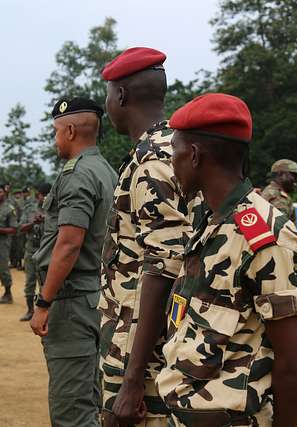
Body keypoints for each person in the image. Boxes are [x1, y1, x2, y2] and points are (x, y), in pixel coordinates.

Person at [158, 93, 297, 426]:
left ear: (195, 155)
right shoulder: (212, 221)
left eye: (176, 151)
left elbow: (296, 367)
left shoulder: (265, 238)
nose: (172, 161)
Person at [98, 46, 201, 427]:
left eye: (109, 94)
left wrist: (131, 379)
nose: (108, 104)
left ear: (121, 96)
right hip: (154, 336)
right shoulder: (174, 148)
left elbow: (164, 268)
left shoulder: (153, 160)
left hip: (143, 345)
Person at [31, 97, 117, 427]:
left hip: (71, 301)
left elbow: (68, 244)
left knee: (71, 408)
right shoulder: (106, 170)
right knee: (91, 395)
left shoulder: (77, 174)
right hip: (96, 295)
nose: (55, 139)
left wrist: (43, 302)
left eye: (55, 132)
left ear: (69, 130)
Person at [18, 182, 51, 321]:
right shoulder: (29, 209)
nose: (44, 198)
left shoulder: (54, 210)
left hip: (48, 250)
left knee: (46, 282)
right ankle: (30, 310)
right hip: (31, 249)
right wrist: (34, 222)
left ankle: (46, 311)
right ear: (38, 195)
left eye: (47, 195)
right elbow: (21, 228)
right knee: (30, 280)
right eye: (42, 195)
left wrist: (46, 220)